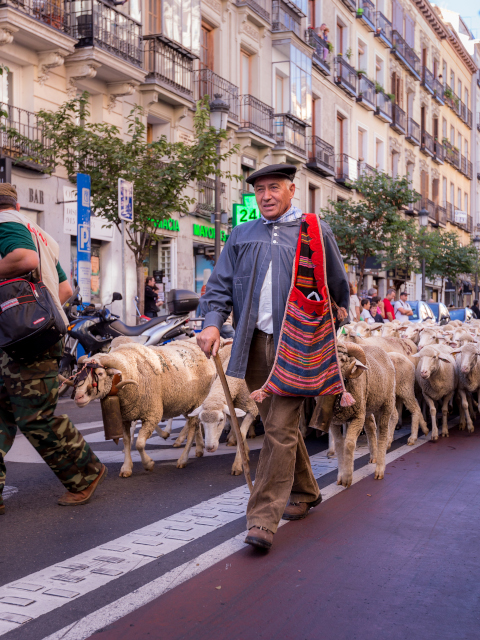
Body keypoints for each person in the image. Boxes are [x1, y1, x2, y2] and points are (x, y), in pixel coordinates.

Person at [196, 163, 349, 550]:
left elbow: (337, 286)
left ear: (291, 190)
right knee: (279, 424)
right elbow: (219, 286)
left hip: (298, 344)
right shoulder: (242, 234)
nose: (265, 195)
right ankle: (306, 490)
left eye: (274, 187)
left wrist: (333, 324)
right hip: (253, 343)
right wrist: (212, 323)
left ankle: (262, 518)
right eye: (259, 189)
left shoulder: (314, 232)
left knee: (278, 429)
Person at [0, 184, 106, 516]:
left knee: (36, 418)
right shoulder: (37, 231)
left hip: (26, 345)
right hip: (28, 339)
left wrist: (24, 323)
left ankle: (85, 473)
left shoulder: (4, 225)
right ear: (17, 202)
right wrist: (34, 319)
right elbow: (64, 288)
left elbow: (24, 259)